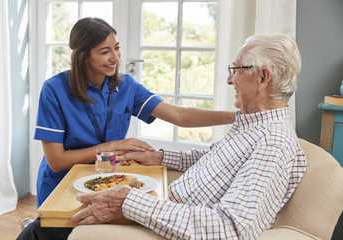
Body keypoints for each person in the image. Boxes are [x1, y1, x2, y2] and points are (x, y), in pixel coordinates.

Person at [70, 34, 307, 239]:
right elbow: (214, 158)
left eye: (235, 70)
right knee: (71, 206)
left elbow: (231, 229)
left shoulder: (272, 143)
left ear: (263, 78)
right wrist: (160, 157)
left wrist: (127, 201)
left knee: (68, 221)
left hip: (174, 222)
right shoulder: (254, 126)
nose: (229, 79)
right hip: (167, 205)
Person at [17, 17, 234, 240]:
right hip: (63, 184)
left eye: (117, 48)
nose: (115, 57)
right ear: (82, 57)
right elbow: (56, 161)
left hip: (108, 179)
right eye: (104, 51)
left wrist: (237, 116)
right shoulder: (54, 89)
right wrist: (112, 145)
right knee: (55, 232)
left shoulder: (126, 85)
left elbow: (179, 115)